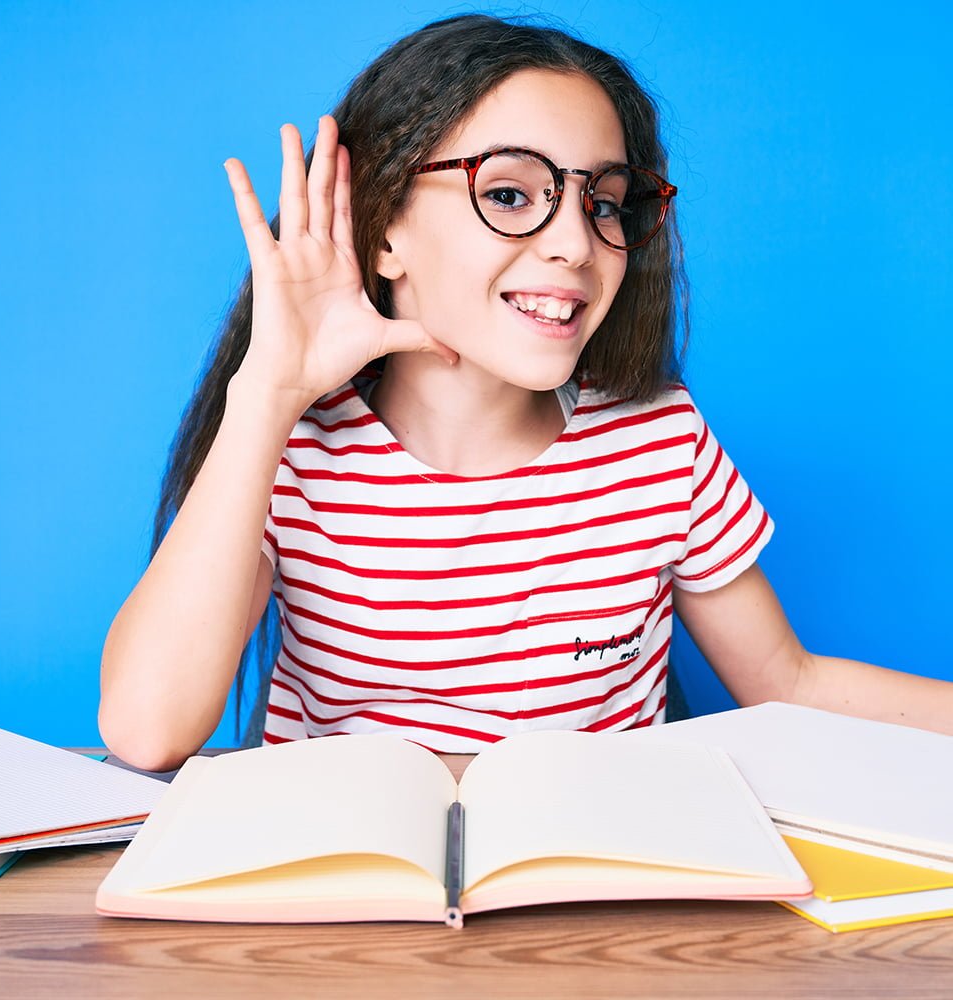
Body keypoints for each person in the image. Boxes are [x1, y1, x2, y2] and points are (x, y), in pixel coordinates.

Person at [99, 13, 953, 772]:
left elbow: (789, 681)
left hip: (595, 913)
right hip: (348, 922)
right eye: (510, 194)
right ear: (385, 228)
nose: (577, 245)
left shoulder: (660, 443)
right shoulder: (290, 453)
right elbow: (147, 731)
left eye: (607, 204)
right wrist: (267, 397)